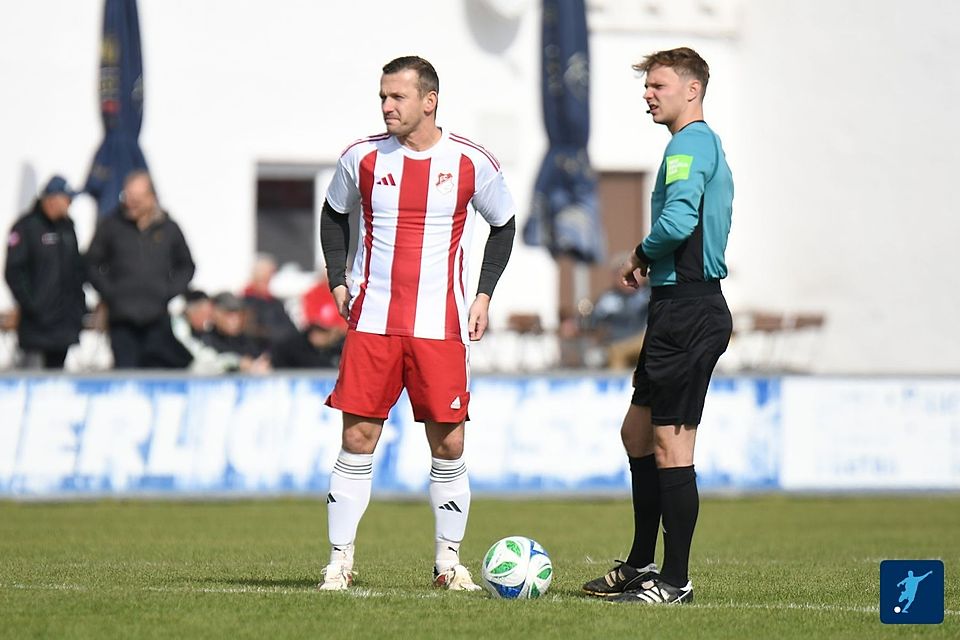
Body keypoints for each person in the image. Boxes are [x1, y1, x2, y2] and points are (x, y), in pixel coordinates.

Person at [318, 56, 516, 592]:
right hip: (373, 323)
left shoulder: (473, 162)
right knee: (358, 437)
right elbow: (334, 213)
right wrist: (338, 278)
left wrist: (483, 294)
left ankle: (448, 566)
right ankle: (339, 562)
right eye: (383, 96)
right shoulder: (360, 158)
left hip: (440, 327)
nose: (386, 106)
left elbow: (504, 224)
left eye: (397, 97)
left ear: (429, 100)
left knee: (449, 445)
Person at [581, 47, 734, 605]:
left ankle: (675, 580)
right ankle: (643, 562)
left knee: (673, 445)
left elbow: (679, 219)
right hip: (674, 309)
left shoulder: (690, 144)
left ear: (691, 90)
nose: (648, 93)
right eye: (646, 85)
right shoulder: (686, 145)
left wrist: (641, 253)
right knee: (637, 434)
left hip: (690, 310)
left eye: (659, 85)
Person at [85, 171, 196, 368]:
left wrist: (167, 291)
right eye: (128, 197)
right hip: (122, 320)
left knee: (159, 372)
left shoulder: (169, 228)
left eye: (138, 198)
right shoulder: (111, 226)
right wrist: (111, 292)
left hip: (157, 319)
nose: (131, 203)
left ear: (151, 197)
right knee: (126, 376)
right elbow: (91, 263)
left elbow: (186, 266)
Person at [4, 176, 86, 368]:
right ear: (52, 200)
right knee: (33, 380)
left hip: (64, 326)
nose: (70, 204)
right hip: (37, 328)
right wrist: (34, 305)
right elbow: (14, 272)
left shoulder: (68, 228)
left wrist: (78, 307)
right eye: (67, 199)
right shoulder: (26, 228)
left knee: (56, 388)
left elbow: (76, 270)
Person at [200, 292, 271, 373]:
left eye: (238, 315)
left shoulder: (245, 340)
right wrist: (239, 364)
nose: (235, 321)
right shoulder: (206, 340)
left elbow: (259, 361)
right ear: (216, 314)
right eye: (229, 315)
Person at [242, 254, 298, 351]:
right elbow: (253, 331)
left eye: (268, 278)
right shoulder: (245, 302)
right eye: (263, 278)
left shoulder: (275, 303)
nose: (267, 281)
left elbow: (292, 330)